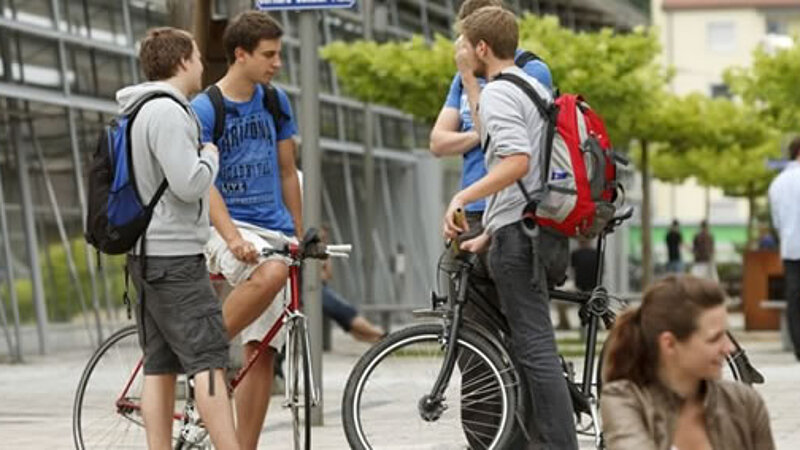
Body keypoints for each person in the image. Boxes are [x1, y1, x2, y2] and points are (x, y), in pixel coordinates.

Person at [442, 7, 578, 449]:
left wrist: (463, 196)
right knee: (534, 346)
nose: (460, 51)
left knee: (535, 349)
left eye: (465, 44)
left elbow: (517, 161)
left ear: (481, 48)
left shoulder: (501, 92)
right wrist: (488, 233)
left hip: (521, 238)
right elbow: (522, 171)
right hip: (522, 227)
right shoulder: (530, 85)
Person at [122, 28, 239, 449]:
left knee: (159, 366)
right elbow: (189, 185)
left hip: (146, 254)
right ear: (183, 61)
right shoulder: (168, 112)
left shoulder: (136, 110)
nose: (203, 65)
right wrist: (209, 156)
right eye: (198, 57)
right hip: (174, 257)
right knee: (208, 362)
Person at [191, 11, 302, 450]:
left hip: (271, 228)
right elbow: (205, 183)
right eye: (269, 55)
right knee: (270, 273)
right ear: (240, 54)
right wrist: (233, 238)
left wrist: (298, 231)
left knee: (263, 349)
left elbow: (288, 171)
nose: (277, 63)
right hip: (225, 225)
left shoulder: (275, 102)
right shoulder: (205, 109)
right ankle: (202, 354)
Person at [601, 275, 775, 449]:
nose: (729, 348)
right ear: (669, 344)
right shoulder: (625, 400)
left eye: (726, 335)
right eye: (714, 339)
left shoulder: (744, 403)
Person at [319, 226, 385, 343]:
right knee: (347, 315)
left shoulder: (324, 252)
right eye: (321, 237)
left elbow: (328, 275)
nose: (323, 240)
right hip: (318, 292)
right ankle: (382, 336)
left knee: (348, 319)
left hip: (321, 289)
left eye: (325, 238)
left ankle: (381, 338)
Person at [768, 136, 800, 361]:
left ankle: (799, 347)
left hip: (791, 248)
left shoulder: (778, 183)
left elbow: (776, 221)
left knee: (794, 297)